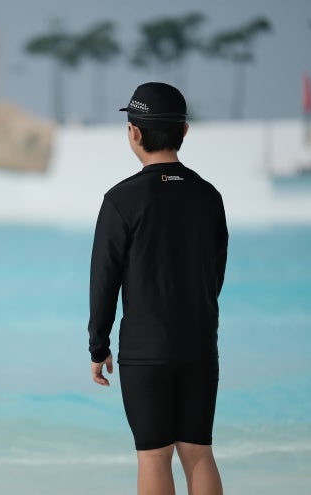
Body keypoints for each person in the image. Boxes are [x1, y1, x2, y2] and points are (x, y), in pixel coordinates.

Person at [88, 82, 228, 495]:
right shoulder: (209, 196)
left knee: (153, 456)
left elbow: (104, 280)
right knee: (198, 453)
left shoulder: (121, 200)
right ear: (184, 131)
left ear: (134, 132)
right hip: (200, 344)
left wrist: (98, 346)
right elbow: (215, 274)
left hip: (146, 350)